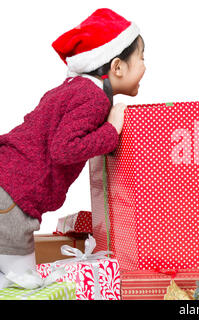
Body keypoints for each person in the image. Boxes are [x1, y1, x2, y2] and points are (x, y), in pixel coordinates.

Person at [0, 8, 146, 288]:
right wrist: (111, 130)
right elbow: (64, 149)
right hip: (12, 201)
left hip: (7, 184)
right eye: (141, 57)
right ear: (117, 66)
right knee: (25, 282)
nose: (145, 66)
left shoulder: (72, 88)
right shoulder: (93, 97)